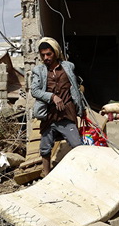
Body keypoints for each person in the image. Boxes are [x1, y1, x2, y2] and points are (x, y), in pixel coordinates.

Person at [31, 37, 85, 176]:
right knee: (45, 147)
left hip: (66, 113)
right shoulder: (39, 70)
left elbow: (75, 89)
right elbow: (35, 91)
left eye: (49, 54)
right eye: (43, 55)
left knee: (77, 145)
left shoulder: (68, 67)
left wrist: (81, 109)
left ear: (55, 52)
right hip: (49, 114)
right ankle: (46, 174)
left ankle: (78, 173)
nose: (46, 57)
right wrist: (52, 97)